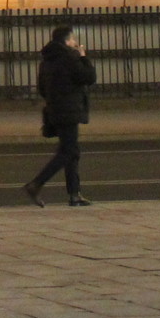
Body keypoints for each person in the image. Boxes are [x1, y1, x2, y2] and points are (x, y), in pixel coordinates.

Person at [24, 23, 96, 207]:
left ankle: (74, 194)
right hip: (70, 110)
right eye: (72, 39)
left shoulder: (47, 60)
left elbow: (42, 88)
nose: (75, 42)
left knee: (71, 152)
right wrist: (83, 57)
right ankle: (36, 184)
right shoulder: (71, 58)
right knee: (68, 152)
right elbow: (89, 77)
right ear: (66, 40)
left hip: (55, 110)